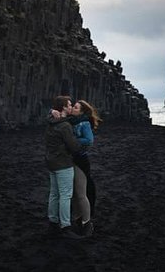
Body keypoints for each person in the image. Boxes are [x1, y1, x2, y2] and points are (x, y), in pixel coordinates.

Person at [45, 95, 83, 239]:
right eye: (69, 104)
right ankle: (65, 226)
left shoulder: (51, 121)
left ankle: (53, 221)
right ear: (63, 108)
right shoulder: (65, 126)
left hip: (51, 162)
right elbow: (73, 146)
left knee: (54, 194)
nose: (71, 106)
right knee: (66, 195)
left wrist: (51, 112)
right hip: (63, 164)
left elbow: (50, 117)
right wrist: (81, 145)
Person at [68, 100, 101, 237]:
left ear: (81, 111)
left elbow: (89, 140)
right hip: (70, 159)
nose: (73, 109)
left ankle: (87, 223)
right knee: (75, 193)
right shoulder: (70, 120)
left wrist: (73, 140)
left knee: (81, 193)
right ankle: (77, 219)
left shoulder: (84, 123)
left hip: (80, 160)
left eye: (76, 108)